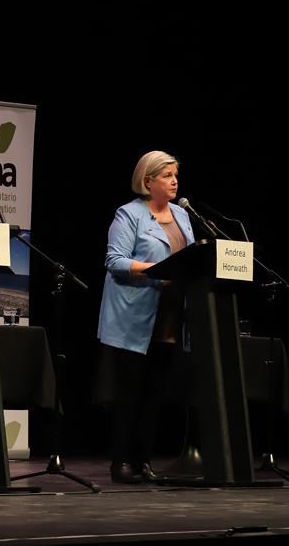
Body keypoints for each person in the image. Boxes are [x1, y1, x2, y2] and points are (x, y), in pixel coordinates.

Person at [96, 150, 195, 483]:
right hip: (133, 317)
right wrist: (157, 270)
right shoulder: (129, 215)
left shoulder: (182, 216)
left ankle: (143, 462)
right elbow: (116, 261)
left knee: (154, 394)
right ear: (148, 180)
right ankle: (120, 462)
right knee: (130, 393)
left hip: (170, 318)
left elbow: (194, 258)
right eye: (167, 175)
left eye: (175, 175)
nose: (174, 181)